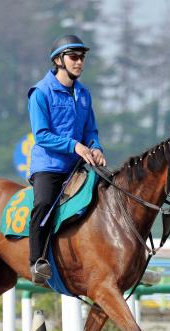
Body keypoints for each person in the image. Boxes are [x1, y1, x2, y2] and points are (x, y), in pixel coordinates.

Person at [28, 34, 106, 284]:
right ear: (58, 60)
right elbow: (41, 136)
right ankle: (37, 262)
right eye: (74, 57)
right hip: (49, 167)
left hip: (79, 166)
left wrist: (96, 147)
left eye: (82, 58)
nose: (79, 62)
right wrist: (75, 146)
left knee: (111, 193)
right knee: (43, 204)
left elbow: (91, 130)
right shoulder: (40, 93)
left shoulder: (84, 94)